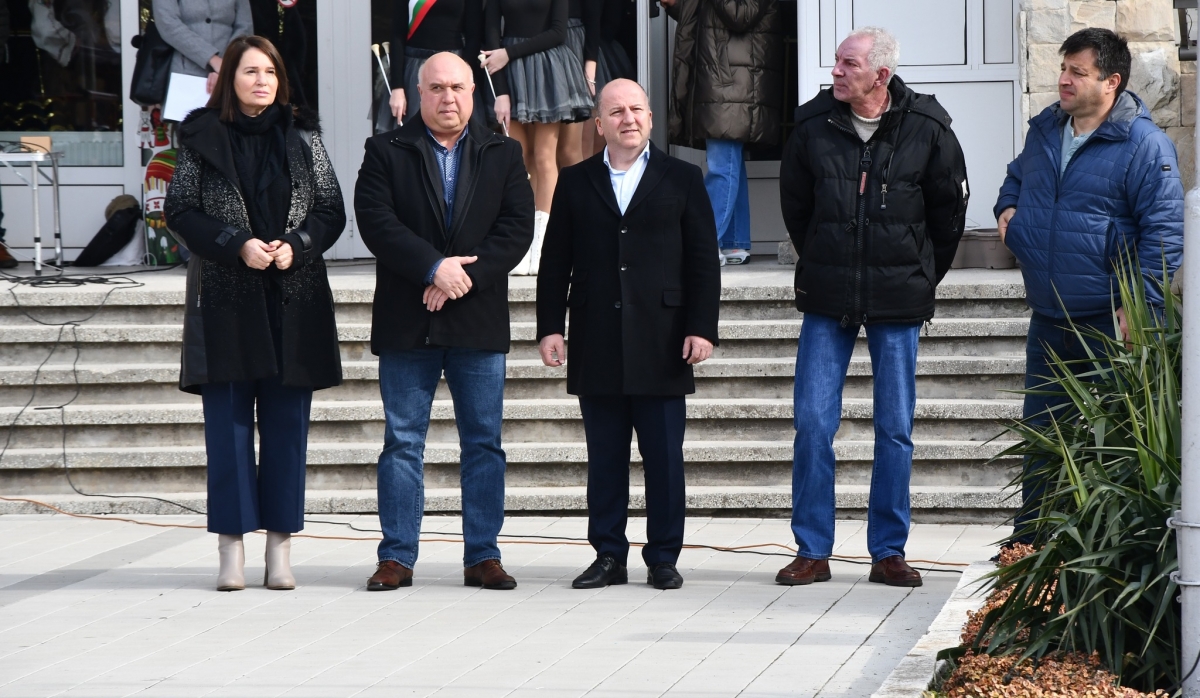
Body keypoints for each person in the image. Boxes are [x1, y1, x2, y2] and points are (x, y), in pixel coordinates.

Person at [777, 27, 968, 588]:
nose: (835, 71)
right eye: (837, 61)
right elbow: (796, 207)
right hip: (827, 294)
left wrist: (920, 274)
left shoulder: (929, 127)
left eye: (849, 64)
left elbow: (948, 215)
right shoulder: (812, 124)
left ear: (881, 75)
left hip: (898, 295)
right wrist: (824, 256)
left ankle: (888, 551)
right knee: (813, 423)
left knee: (894, 428)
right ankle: (812, 550)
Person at [165, 36, 347, 592]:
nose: (262, 81)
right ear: (230, 80)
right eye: (250, 71)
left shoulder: (303, 134)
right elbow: (181, 210)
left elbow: (330, 208)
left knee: (288, 430)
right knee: (228, 429)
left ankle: (280, 548)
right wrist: (235, 243)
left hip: (292, 297)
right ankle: (231, 547)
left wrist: (298, 244)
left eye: (270, 71)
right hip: (226, 297)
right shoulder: (200, 135)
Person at [354, 52, 534, 592]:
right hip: (407, 320)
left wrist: (461, 278)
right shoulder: (385, 149)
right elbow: (376, 222)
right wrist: (434, 268)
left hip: (477, 320)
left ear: (473, 93)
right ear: (419, 93)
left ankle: (483, 556)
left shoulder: (504, 151)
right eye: (436, 88)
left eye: (457, 87)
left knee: (484, 444)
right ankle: (396, 557)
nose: (447, 97)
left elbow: (516, 229)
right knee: (402, 443)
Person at [994, 27, 1183, 543]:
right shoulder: (1045, 129)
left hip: (1108, 322)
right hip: (1048, 317)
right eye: (1064, 69)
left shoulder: (1144, 145)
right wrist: (1009, 212)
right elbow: (1017, 177)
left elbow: (1164, 234)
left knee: (1110, 440)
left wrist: (1140, 309)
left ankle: (1102, 548)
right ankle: (1031, 544)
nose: (1064, 80)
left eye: (1077, 72)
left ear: (1111, 82)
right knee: (1041, 436)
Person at [537, 79, 721, 591]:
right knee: (605, 458)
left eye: (636, 109)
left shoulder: (683, 178)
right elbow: (555, 262)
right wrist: (550, 326)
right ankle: (608, 556)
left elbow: (703, 261)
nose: (628, 119)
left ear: (650, 118)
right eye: (616, 112)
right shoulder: (575, 181)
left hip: (663, 340)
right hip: (596, 338)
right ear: (599, 125)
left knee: (664, 460)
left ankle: (663, 557)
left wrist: (702, 327)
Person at [660, 0, 783, 266]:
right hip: (725, 80)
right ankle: (734, 242)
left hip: (732, 83)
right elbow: (711, 16)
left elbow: (740, 15)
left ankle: (702, 244)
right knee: (729, 163)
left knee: (722, 167)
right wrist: (676, 5)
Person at [480, 0, 593, 275]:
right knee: (518, 159)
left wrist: (508, 53)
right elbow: (491, 39)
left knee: (544, 157)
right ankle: (520, 243)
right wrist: (500, 92)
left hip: (547, 71)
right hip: (510, 73)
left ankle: (544, 246)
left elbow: (558, 33)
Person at [386, 0, 484, 125]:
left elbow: (474, 37)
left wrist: (464, 74)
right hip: (413, 69)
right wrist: (397, 87)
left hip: (453, 67)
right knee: (413, 129)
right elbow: (397, 36)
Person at [153, 0, 253, 95]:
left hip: (230, 69)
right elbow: (167, 24)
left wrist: (227, 63)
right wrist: (213, 60)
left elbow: (245, 26)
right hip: (185, 70)